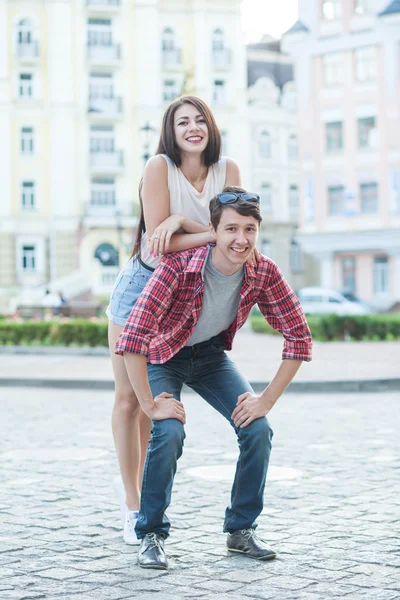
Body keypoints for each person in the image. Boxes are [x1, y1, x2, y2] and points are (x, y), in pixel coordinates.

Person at [114, 187, 313, 570]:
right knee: (168, 431)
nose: (241, 240)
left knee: (257, 429)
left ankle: (241, 530)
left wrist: (265, 400)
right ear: (214, 230)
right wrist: (149, 405)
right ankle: (150, 532)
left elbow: (299, 336)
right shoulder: (179, 266)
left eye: (250, 230)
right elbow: (134, 339)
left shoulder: (264, 270)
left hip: (209, 358)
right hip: (164, 356)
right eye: (232, 229)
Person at [106, 96, 243, 545]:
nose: (193, 127)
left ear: (210, 126)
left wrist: (185, 222)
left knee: (156, 410)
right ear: (172, 130)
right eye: (183, 121)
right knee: (131, 401)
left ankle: (145, 499)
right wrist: (200, 227)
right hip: (141, 289)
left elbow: (238, 230)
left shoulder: (228, 171)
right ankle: (132, 506)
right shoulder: (158, 168)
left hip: (187, 294)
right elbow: (160, 243)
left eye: (200, 119)